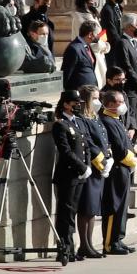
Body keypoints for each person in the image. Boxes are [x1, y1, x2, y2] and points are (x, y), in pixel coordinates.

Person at [48, 91, 91, 263]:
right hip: (68, 175)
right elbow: (65, 151)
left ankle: (71, 248)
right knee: (66, 213)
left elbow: (85, 145)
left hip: (79, 175)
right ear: (66, 104)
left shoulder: (77, 122)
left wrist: (87, 165)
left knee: (72, 212)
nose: (78, 105)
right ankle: (65, 249)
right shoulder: (61, 125)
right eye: (75, 102)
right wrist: (81, 167)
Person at [98, 91, 137, 255]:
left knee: (122, 207)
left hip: (124, 169)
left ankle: (118, 239)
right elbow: (119, 150)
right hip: (117, 169)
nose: (124, 105)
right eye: (121, 102)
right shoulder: (107, 121)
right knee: (113, 207)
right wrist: (133, 160)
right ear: (112, 104)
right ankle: (110, 242)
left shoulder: (116, 120)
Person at [74, 95, 110, 258]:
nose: (98, 101)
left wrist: (108, 157)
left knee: (93, 209)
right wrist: (101, 160)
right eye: (94, 98)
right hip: (92, 165)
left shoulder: (95, 117)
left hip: (100, 168)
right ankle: (84, 244)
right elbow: (88, 142)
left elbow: (103, 138)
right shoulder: (82, 119)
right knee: (86, 208)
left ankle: (89, 244)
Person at [107, 15, 137, 134]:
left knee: (136, 118)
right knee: (131, 119)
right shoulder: (122, 43)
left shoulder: (133, 42)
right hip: (130, 87)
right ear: (129, 26)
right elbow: (126, 66)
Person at [61, 20, 100, 91]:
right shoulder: (74, 48)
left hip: (90, 91)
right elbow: (67, 73)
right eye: (97, 34)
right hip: (79, 91)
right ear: (90, 34)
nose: (98, 36)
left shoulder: (86, 46)